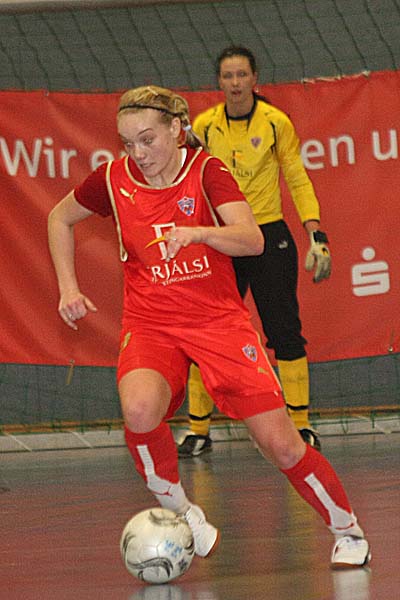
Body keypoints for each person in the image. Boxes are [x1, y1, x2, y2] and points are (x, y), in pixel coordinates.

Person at [48, 85, 370, 569]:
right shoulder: (113, 179)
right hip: (152, 323)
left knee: (280, 443)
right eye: (128, 143)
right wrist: (68, 288)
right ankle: (185, 513)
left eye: (148, 140)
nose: (139, 153)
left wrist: (199, 233)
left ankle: (348, 531)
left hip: (217, 322)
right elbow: (58, 218)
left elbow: (252, 239)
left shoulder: (207, 172)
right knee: (138, 409)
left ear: (177, 130)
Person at [178, 46, 331, 458]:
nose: (235, 83)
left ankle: (300, 425)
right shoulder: (205, 126)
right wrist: (190, 233)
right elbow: (188, 179)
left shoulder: (276, 123)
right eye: (227, 76)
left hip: (267, 235)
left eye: (241, 75)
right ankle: (198, 430)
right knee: (206, 332)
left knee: (284, 329)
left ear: (254, 79)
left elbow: (296, 177)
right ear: (219, 82)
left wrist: (315, 231)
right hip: (223, 237)